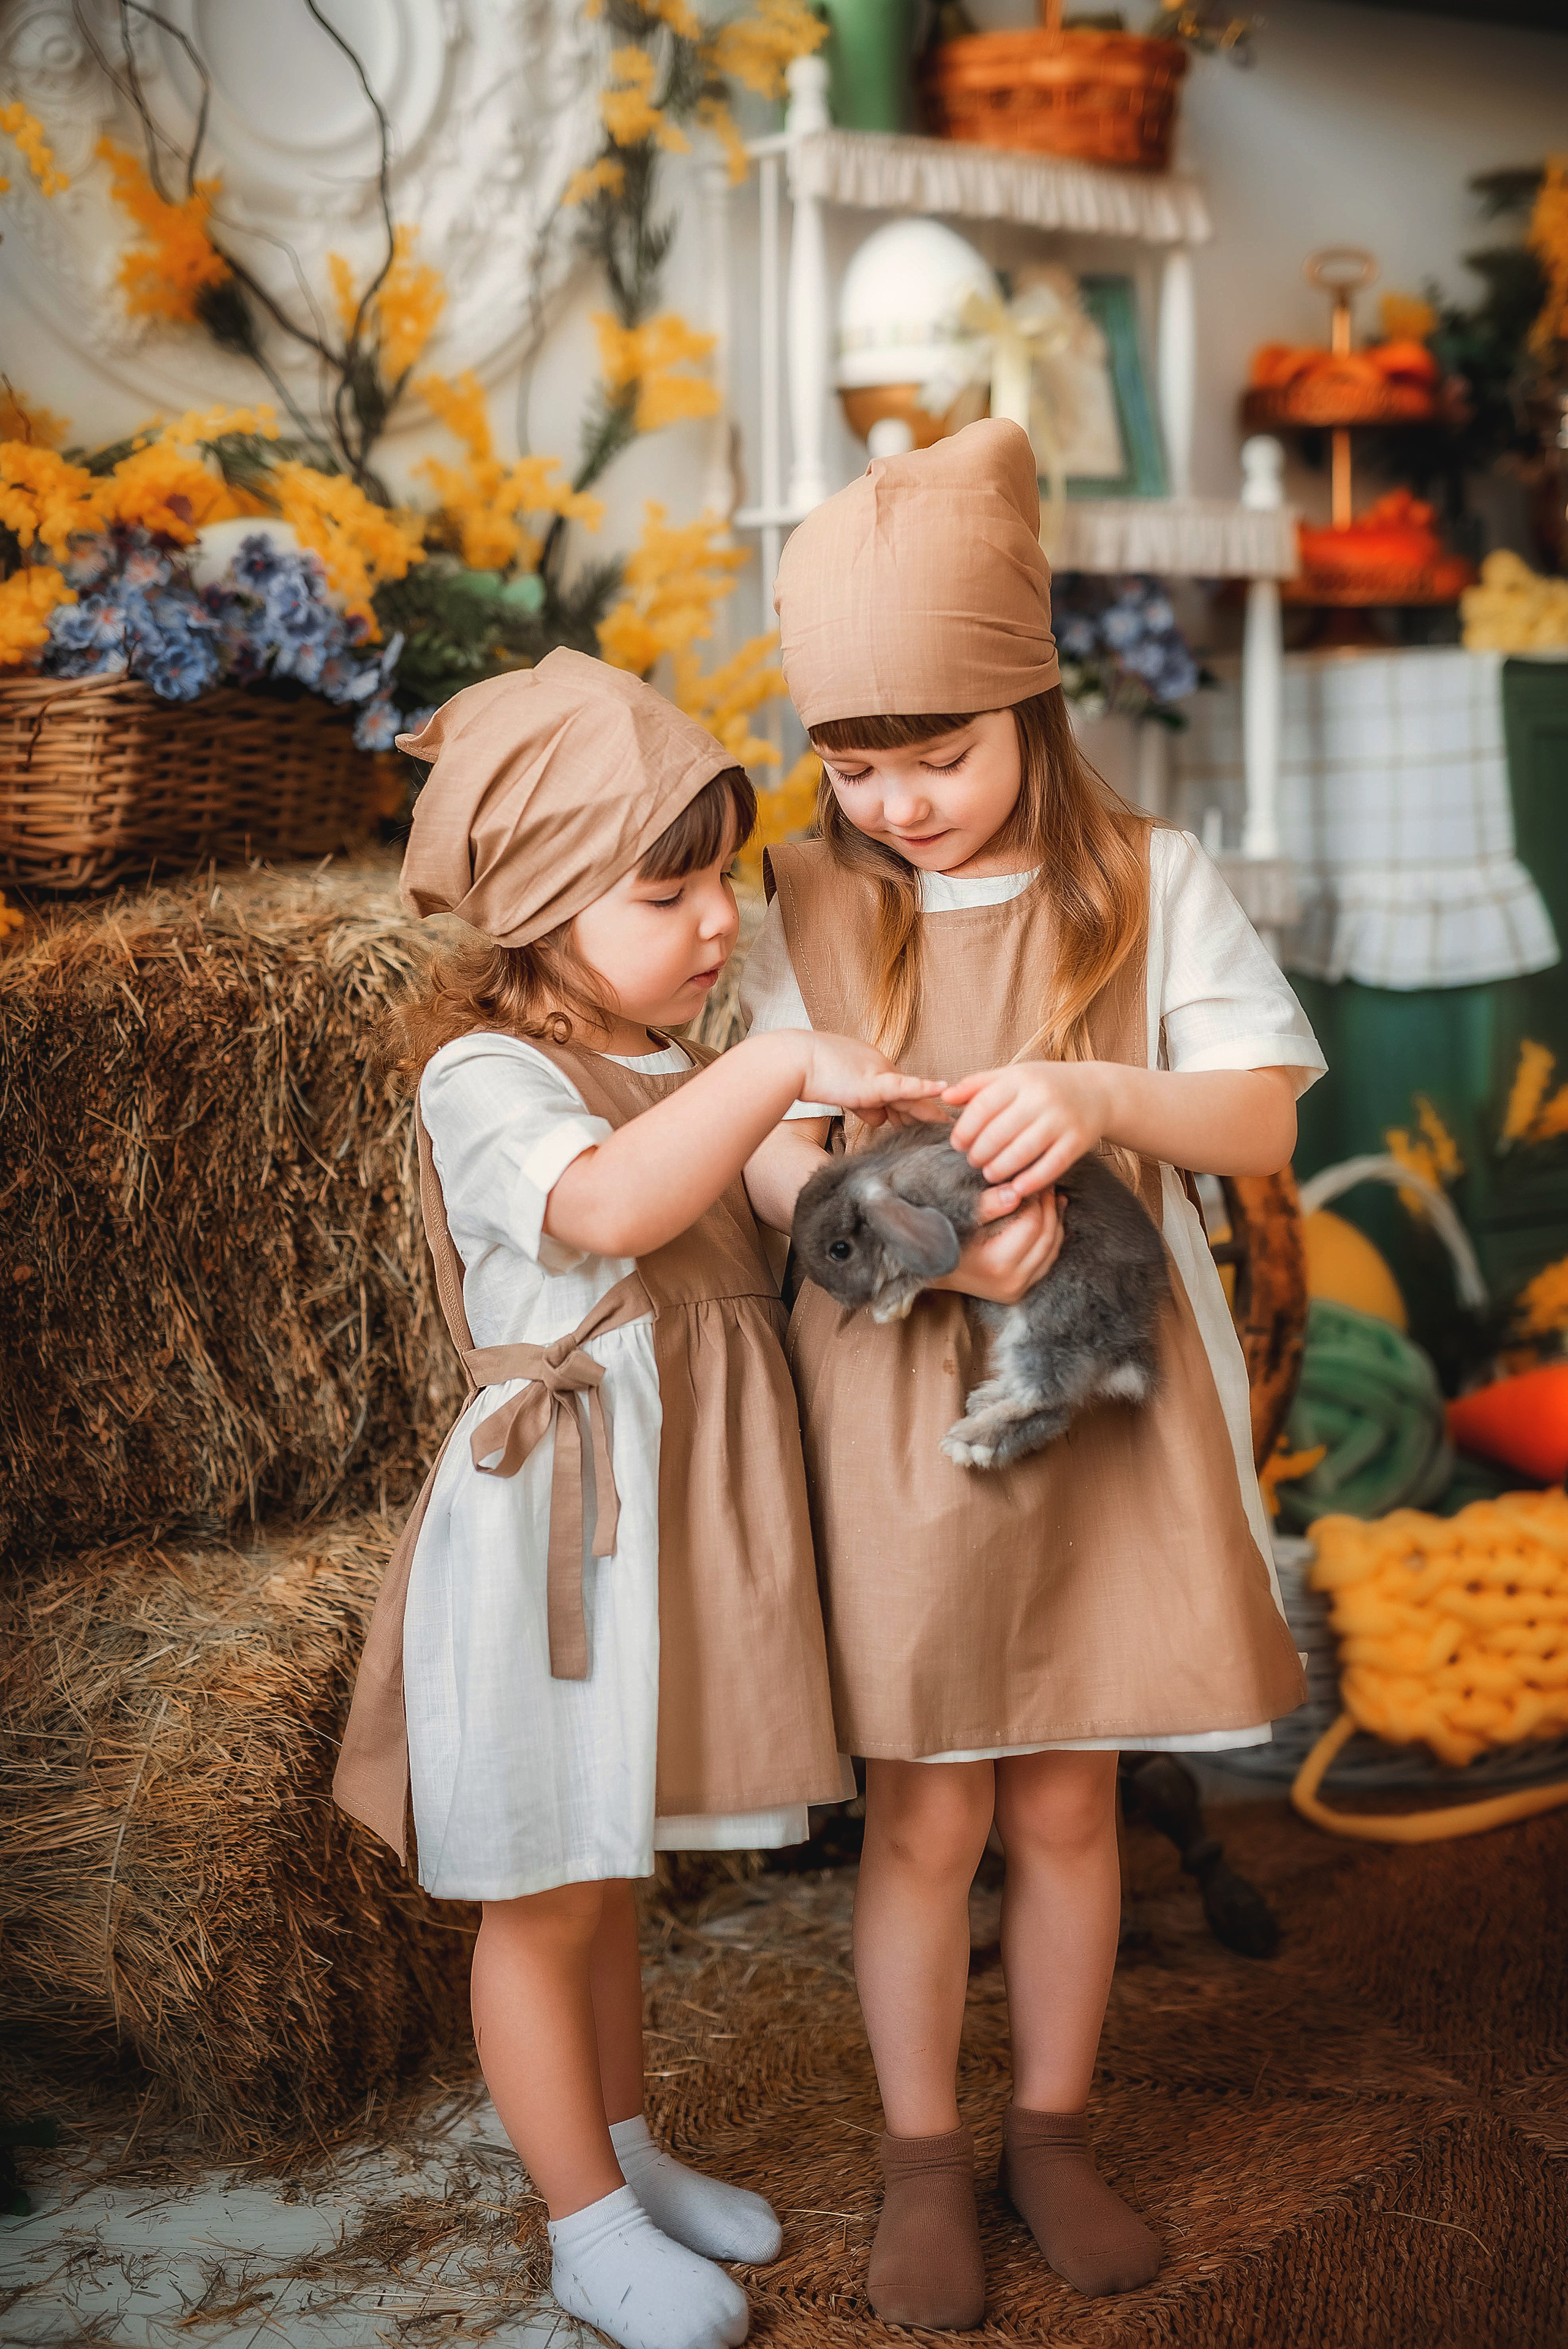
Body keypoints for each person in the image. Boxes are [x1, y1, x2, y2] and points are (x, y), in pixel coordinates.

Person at [331, 650, 1032, 2349]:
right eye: (669, 892)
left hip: (656, 1531)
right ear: (540, 910)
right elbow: (615, 1208)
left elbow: (795, 1200)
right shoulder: (487, 1076)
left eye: (721, 877)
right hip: (555, 1534)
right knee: (541, 1892)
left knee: (606, 1869)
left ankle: (626, 2155)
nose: (722, 918)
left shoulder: (674, 1060)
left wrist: (953, 1223)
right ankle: (583, 2228)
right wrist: (776, 1061)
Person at [739, 421, 1321, 2329]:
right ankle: (925, 2154)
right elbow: (762, 1152)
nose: (896, 803)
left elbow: (1258, 1116)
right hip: (905, 1420)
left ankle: (1051, 2130)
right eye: (856, 763)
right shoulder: (801, 899)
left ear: (1035, 705)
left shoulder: (1147, 879)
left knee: (1070, 1800)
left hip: (1102, 1407)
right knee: (931, 1812)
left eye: (940, 755)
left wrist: (1096, 1094)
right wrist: (892, 1223)